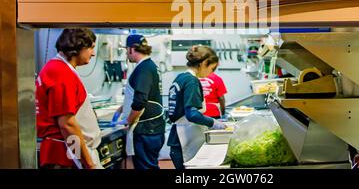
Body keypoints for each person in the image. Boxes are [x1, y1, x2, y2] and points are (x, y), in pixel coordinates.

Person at [36, 28, 103, 169]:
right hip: (65, 155)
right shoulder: (61, 73)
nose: (93, 53)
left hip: (68, 152)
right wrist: (88, 163)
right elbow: (67, 125)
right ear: (78, 46)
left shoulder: (57, 68)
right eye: (91, 47)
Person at [167, 45, 227, 169]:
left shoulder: (181, 77)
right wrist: (214, 123)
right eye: (212, 68)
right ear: (204, 63)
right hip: (184, 139)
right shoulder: (191, 81)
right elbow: (192, 114)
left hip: (177, 137)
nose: (212, 73)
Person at [112, 34, 165, 169]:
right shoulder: (150, 66)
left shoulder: (144, 68)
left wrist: (128, 120)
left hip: (146, 129)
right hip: (152, 128)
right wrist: (122, 108)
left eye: (126, 50)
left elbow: (140, 100)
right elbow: (143, 95)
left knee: (146, 167)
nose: (126, 54)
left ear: (131, 49)